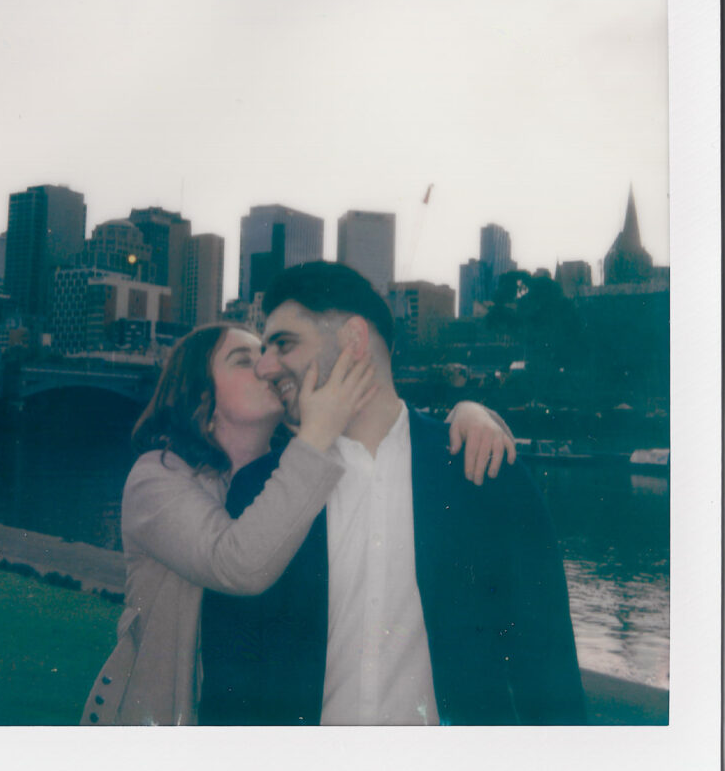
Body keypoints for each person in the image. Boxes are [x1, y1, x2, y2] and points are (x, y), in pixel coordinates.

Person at [199, 262, 587, 725]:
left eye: (283, 344)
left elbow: (546, 671)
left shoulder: (482, 471)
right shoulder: (257, 491)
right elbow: (230, 690)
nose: (264, 367)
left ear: (354, 340)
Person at [81, 321, 516, 726]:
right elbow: (236, 562)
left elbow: (389, 442)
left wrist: (468, 413)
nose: (270, 366)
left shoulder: (299, 477)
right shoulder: (157, 477)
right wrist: (317, 433)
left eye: (271, 354)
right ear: (202, 396)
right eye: (244, 360)